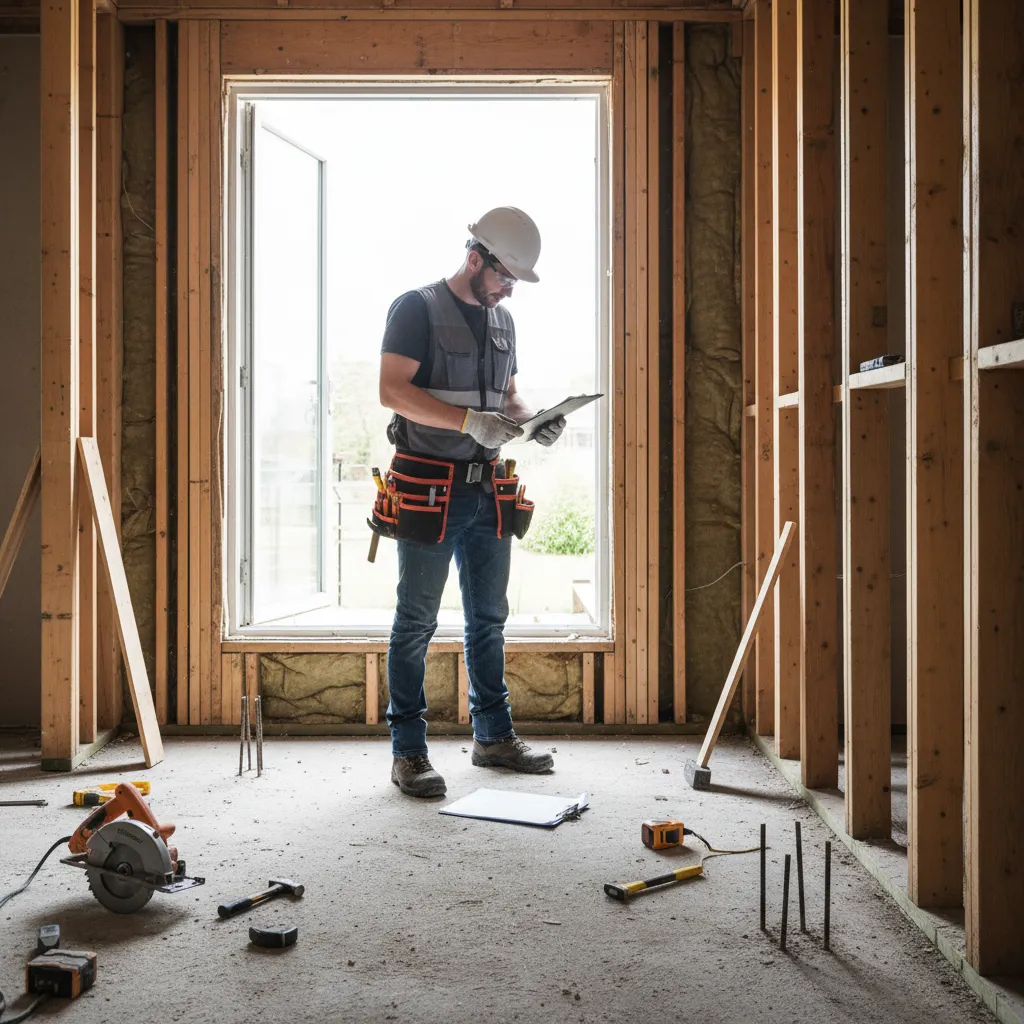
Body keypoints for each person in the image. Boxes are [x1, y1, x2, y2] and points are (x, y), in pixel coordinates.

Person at [377, 207, 567, 798]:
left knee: (489, 619)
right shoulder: (417, 308)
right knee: (416, 623)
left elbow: (507, 400)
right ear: (475, 257)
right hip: (429, 489)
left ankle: (493, 737)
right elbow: (391, 390)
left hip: (488, 490)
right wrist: (466, 421)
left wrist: (534, 421)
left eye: (514, 281)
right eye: (505, 275)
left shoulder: (503, 321)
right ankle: (408, 752)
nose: (510, 288)